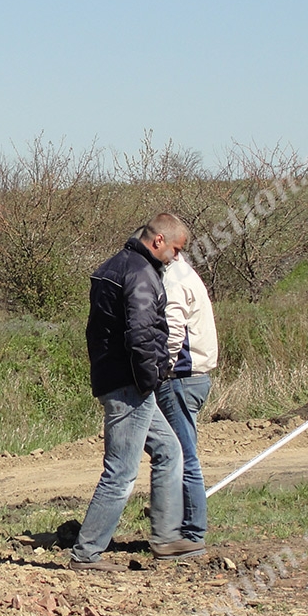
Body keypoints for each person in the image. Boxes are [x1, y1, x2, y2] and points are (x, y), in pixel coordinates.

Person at [70, 213, 203, 572]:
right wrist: (152, 380)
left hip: (118, 378)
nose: (176, 257)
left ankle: (164, 538)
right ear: (158, 240)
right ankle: (86, 553)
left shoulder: (114, 266)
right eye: (175, 249)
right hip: (130, 384)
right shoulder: (141, 274)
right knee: (121, 471)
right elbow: (143, 334)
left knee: (170, 450)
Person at [156, 250, 218, 546]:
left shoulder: (174, 281)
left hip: (180, 378)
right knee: (181, 453)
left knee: (183, 456)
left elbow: (172, 331)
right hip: (193, 377)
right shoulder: (186, 274)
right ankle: (186, 527)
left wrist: (158, 370)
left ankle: (192, 532)